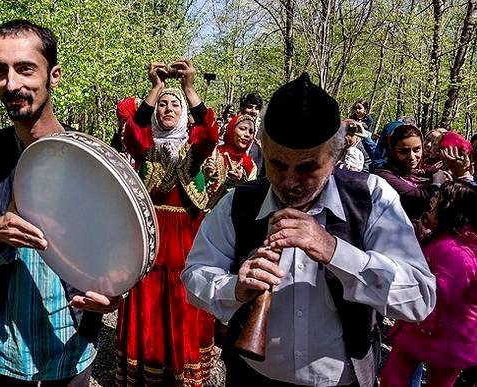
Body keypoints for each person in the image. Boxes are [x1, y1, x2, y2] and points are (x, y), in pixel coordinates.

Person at [181, 73, 436, 387]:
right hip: (251, 377)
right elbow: (193, 276)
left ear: (335, 156)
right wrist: (234, 287)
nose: (289, 182)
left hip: (342, 381)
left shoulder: (372, 197)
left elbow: (420, 299)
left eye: (307, 167)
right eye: (277, 164)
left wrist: (333, 251)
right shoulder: (239, 203)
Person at [0, 20, 122, 386]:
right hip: (3, 346)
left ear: (53, 75)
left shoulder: (90, 157)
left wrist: (116, 290)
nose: (11, 84)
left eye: (25, 69)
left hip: (70, 341)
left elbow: (119, 246)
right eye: (0, 71)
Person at [116, 59, 218, 386]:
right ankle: (147, 370)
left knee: (182, 305)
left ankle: (182, 373)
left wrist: (189, 87)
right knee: (149, 311)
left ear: (184, 113)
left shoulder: (194, 151)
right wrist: (155, 87)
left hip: (186, 247)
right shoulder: (146, 150)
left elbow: (210, 136)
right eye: (163, 104)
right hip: (151, 246)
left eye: (175, 104)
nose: (168, 108)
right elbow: (133, 133)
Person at [380, 180, 477, 387]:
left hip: (445, 334)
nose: (429, 208)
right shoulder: (446, 240)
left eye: (434, 205)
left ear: (449, 211)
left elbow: (442, 293)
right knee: (393, 377)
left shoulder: (457, 251)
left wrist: (408, 305)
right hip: (427, 327)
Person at [374, 124, 447, 224]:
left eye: (417, 149)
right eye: (404, 151)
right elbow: (419, 197)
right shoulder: (383, 175)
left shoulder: (423, 172)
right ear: (392, 151)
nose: (412, 157)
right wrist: (438, 182)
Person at [203, 114, 258, 209]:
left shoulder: (250, 165)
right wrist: (206, 175)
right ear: (231, 129)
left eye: (251, 131)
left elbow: (252, 197)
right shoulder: (212, 154)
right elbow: (194, 185)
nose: (247, 135)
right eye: (242, 129)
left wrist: (241, 182)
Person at [239, 93, 265, 177]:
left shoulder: (263, 132)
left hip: (255, 180)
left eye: (257, 108)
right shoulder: (229, 130)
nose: (253, 111)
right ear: (242, 109)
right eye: (249, 107)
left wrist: (264, 149)